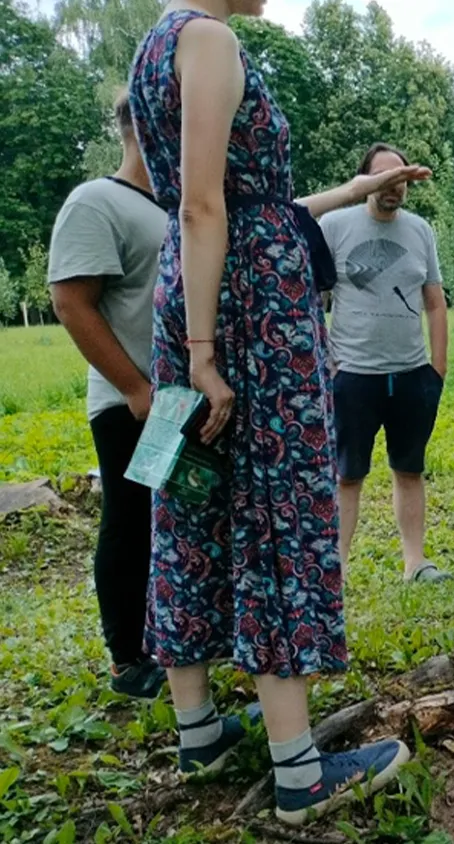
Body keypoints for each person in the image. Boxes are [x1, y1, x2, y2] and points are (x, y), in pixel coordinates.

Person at [128, 0, 430, 825]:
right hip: (244, 311)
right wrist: (204, 352)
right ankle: (300, 770)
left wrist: (362, 187)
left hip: (193, 291)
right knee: (279, 508)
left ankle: (200, 731)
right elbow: (204, 206)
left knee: (186, 492)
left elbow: (242, 198)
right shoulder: (213, 38)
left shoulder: (156, 44)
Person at [46, 91, 169, 699]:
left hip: (177, 405)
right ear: (137, 125)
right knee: (132, 520)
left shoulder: (173, 205)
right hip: (131, 405)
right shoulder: (95, 201)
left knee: (174, 522)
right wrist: (134, 387)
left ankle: (168, 638)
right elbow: (71, 301)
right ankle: (127, 658)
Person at [321, 143, 449, 582]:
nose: (394, 188)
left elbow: (435, 301)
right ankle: (333, 571)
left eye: (402, 180)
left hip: (412, 374)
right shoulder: (334, 225)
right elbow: (311, 301)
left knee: (409, 469)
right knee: (346, 476)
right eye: (384, 179)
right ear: (365, 181)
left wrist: (438, 367)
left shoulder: (420, 231)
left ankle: (416, 563)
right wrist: (329, 363)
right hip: (353, 375)